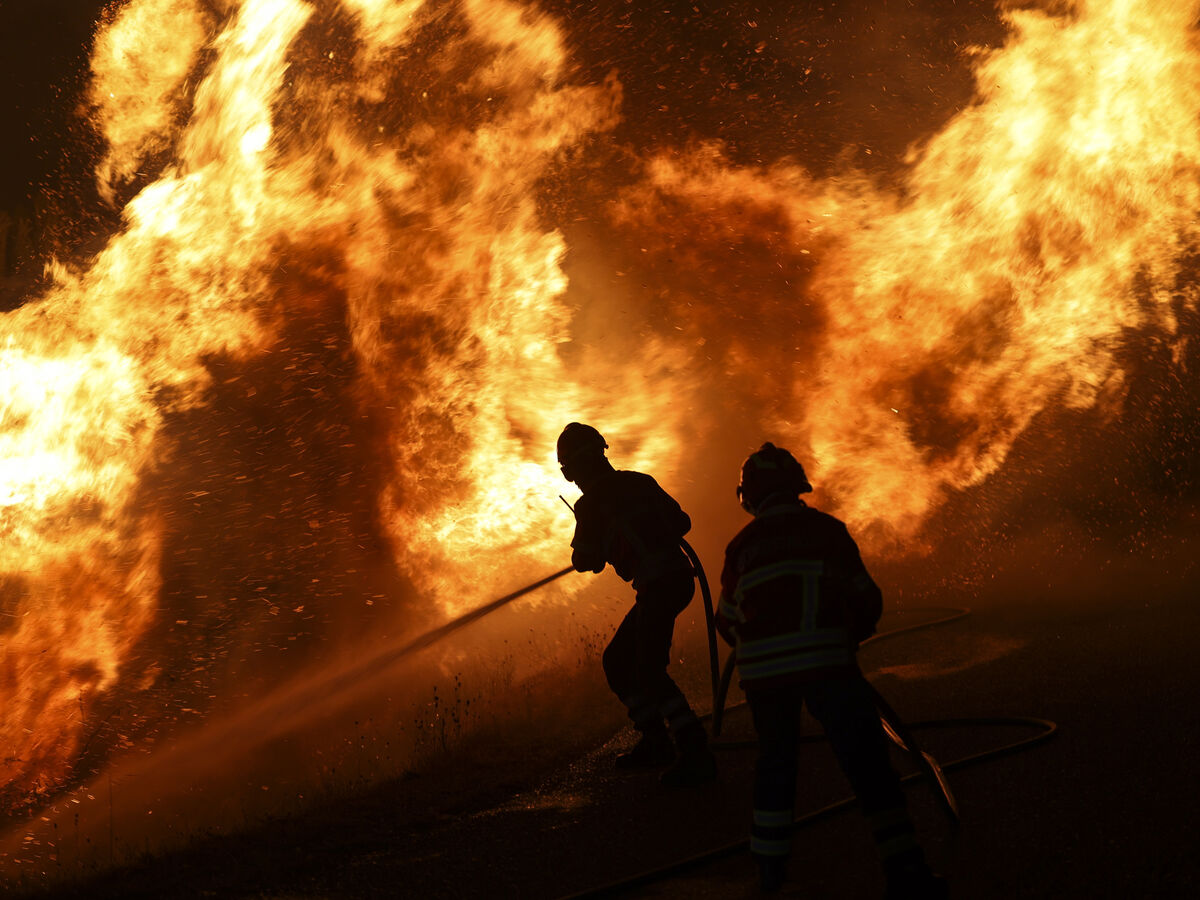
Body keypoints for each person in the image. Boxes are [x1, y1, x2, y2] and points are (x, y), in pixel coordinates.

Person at [716, 442, 947, 898]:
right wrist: (846, 638)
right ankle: (906, 874)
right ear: (797, 487)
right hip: (827, 664)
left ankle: (770, 878)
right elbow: (867, 600)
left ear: (749, 496)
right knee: (867, 765)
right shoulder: (827, 531)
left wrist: (761, 653)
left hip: (764, 676)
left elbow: (725, 619)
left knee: (776, 767)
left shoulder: (740, 547)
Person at [558, 422, 717, 788]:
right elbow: (682, 521)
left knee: (648, 670)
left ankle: (694, 751)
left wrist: (601, 547)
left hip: (659, 586)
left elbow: (584, 560)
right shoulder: (641, 482)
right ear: (601, 453)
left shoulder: (590, 504)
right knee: (617, 660)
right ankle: (655, 740)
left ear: (570, 471)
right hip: (676, 580)